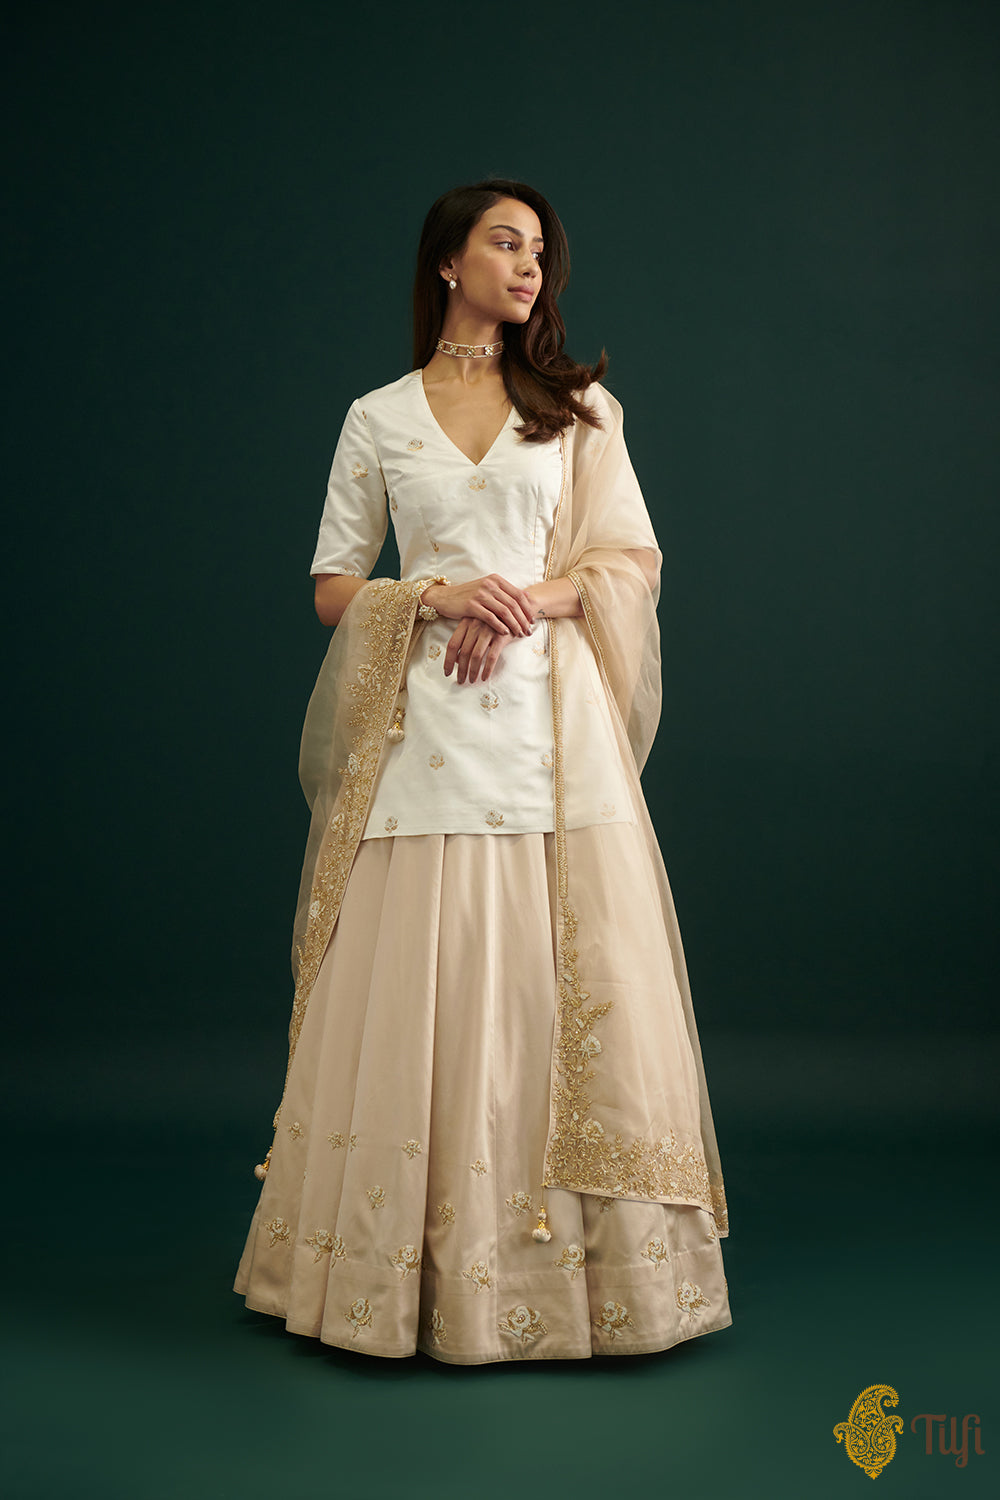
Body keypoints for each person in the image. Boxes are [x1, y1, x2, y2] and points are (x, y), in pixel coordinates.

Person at [233, 178, 732, 1364]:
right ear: (448, 263)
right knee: (422, 986)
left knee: (571, 984)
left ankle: (588, 1288)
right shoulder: (378, 416)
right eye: (506, 244)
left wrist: (526, 600)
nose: (529, 267)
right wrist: (437, 595)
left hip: (553, 730)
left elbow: (631, 561)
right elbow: (333, 588)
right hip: (422, 737)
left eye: (540, 253)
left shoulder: (578, 410)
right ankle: (401, 1283)